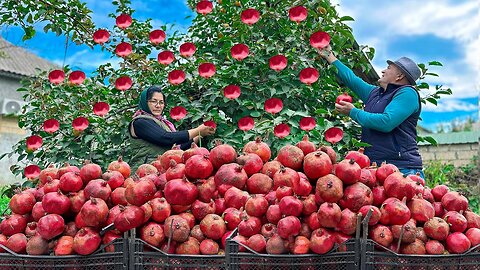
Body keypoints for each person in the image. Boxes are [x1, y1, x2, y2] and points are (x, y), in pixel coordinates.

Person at [318, 45, 424, 178]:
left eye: (389, 68)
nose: (383, 71)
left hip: (402, 169)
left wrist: (353, 112)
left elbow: (386, 122)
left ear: (400, 76)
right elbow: (351, 79)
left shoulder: (407, 93)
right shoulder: (375, 93)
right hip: (376, 167)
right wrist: (329, 56)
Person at [128, 85, 215, 168]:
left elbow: (177, 147)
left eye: (161, 102)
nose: (158, 106)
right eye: (153, 101)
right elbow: (165, 138)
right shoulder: (140, 122)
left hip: (163, 170)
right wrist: (197, 130)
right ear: (145, 102)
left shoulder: (163, 123)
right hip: (144, 174)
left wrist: (201, 134)